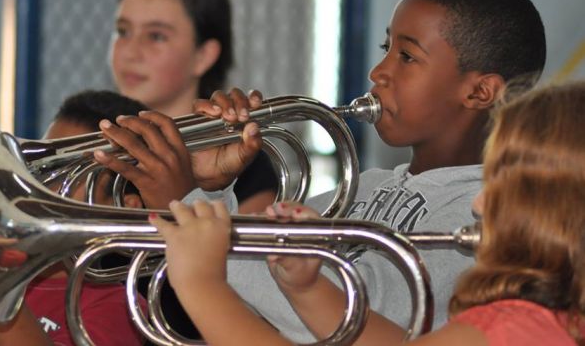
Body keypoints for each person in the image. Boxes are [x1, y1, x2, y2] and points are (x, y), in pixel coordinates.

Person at [180, 0, 548, 342]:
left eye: (406, 56)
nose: (378, 72)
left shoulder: (481, 214)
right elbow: (256, 283)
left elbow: (358, 315)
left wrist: (180, 199)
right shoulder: (365, 187)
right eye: (384, 48)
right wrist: (212, 190)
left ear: (480, 92)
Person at [150, 80, 585, 346]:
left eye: (504, 185)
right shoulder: (546, 320)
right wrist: (308, 288)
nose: (479, 203)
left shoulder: (518, 330)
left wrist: (201, 283)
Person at [0, 90, 149, 345]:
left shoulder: (118, 307)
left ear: (122, 209)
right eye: (39, 166)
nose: (40, 183)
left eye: (68, 173)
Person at [109, 0, 278, 214]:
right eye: (123, 31)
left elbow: (239, 255)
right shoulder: (99, 140)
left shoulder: (243, 165)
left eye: (156, 36)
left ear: (203, 56)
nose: (130, 52)